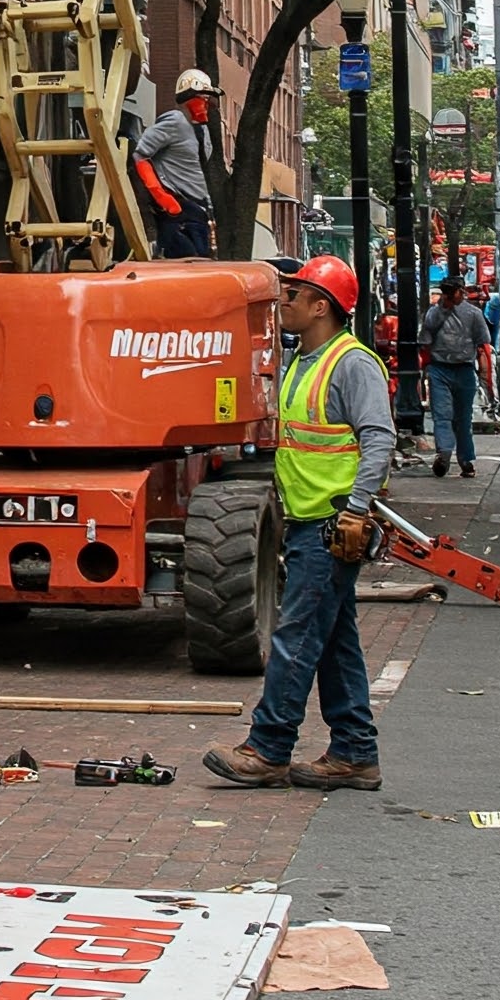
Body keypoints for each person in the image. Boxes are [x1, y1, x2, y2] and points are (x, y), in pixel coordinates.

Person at [204, 255, 393, 792]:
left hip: (334, 523)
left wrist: (357, 509)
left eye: (293, 295)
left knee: (298, 636)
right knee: (334, 642)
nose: (283, 303)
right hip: (310, 520)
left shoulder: (351, 365)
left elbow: (378, 439)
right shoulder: (304, 361)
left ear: (321, 306)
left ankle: (268, 748)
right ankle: (355, 753)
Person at [135, 70, 217, 259]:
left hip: (199, 212)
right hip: (179, 212)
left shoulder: (204, 133)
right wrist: (162, 197)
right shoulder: (174, 121)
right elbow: (140, 155)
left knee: (201, 264)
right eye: (202, 97)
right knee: (185, 263)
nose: (207, 103)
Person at [421, 276, 492, 478]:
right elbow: (426, 339)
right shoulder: (435, 314)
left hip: (462, 369)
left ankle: (463, 458)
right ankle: (447, 454)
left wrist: (486, 375)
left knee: (460, 417)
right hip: (441, 368)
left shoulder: (473, 314)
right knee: (446, 415)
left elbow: (482, 346)